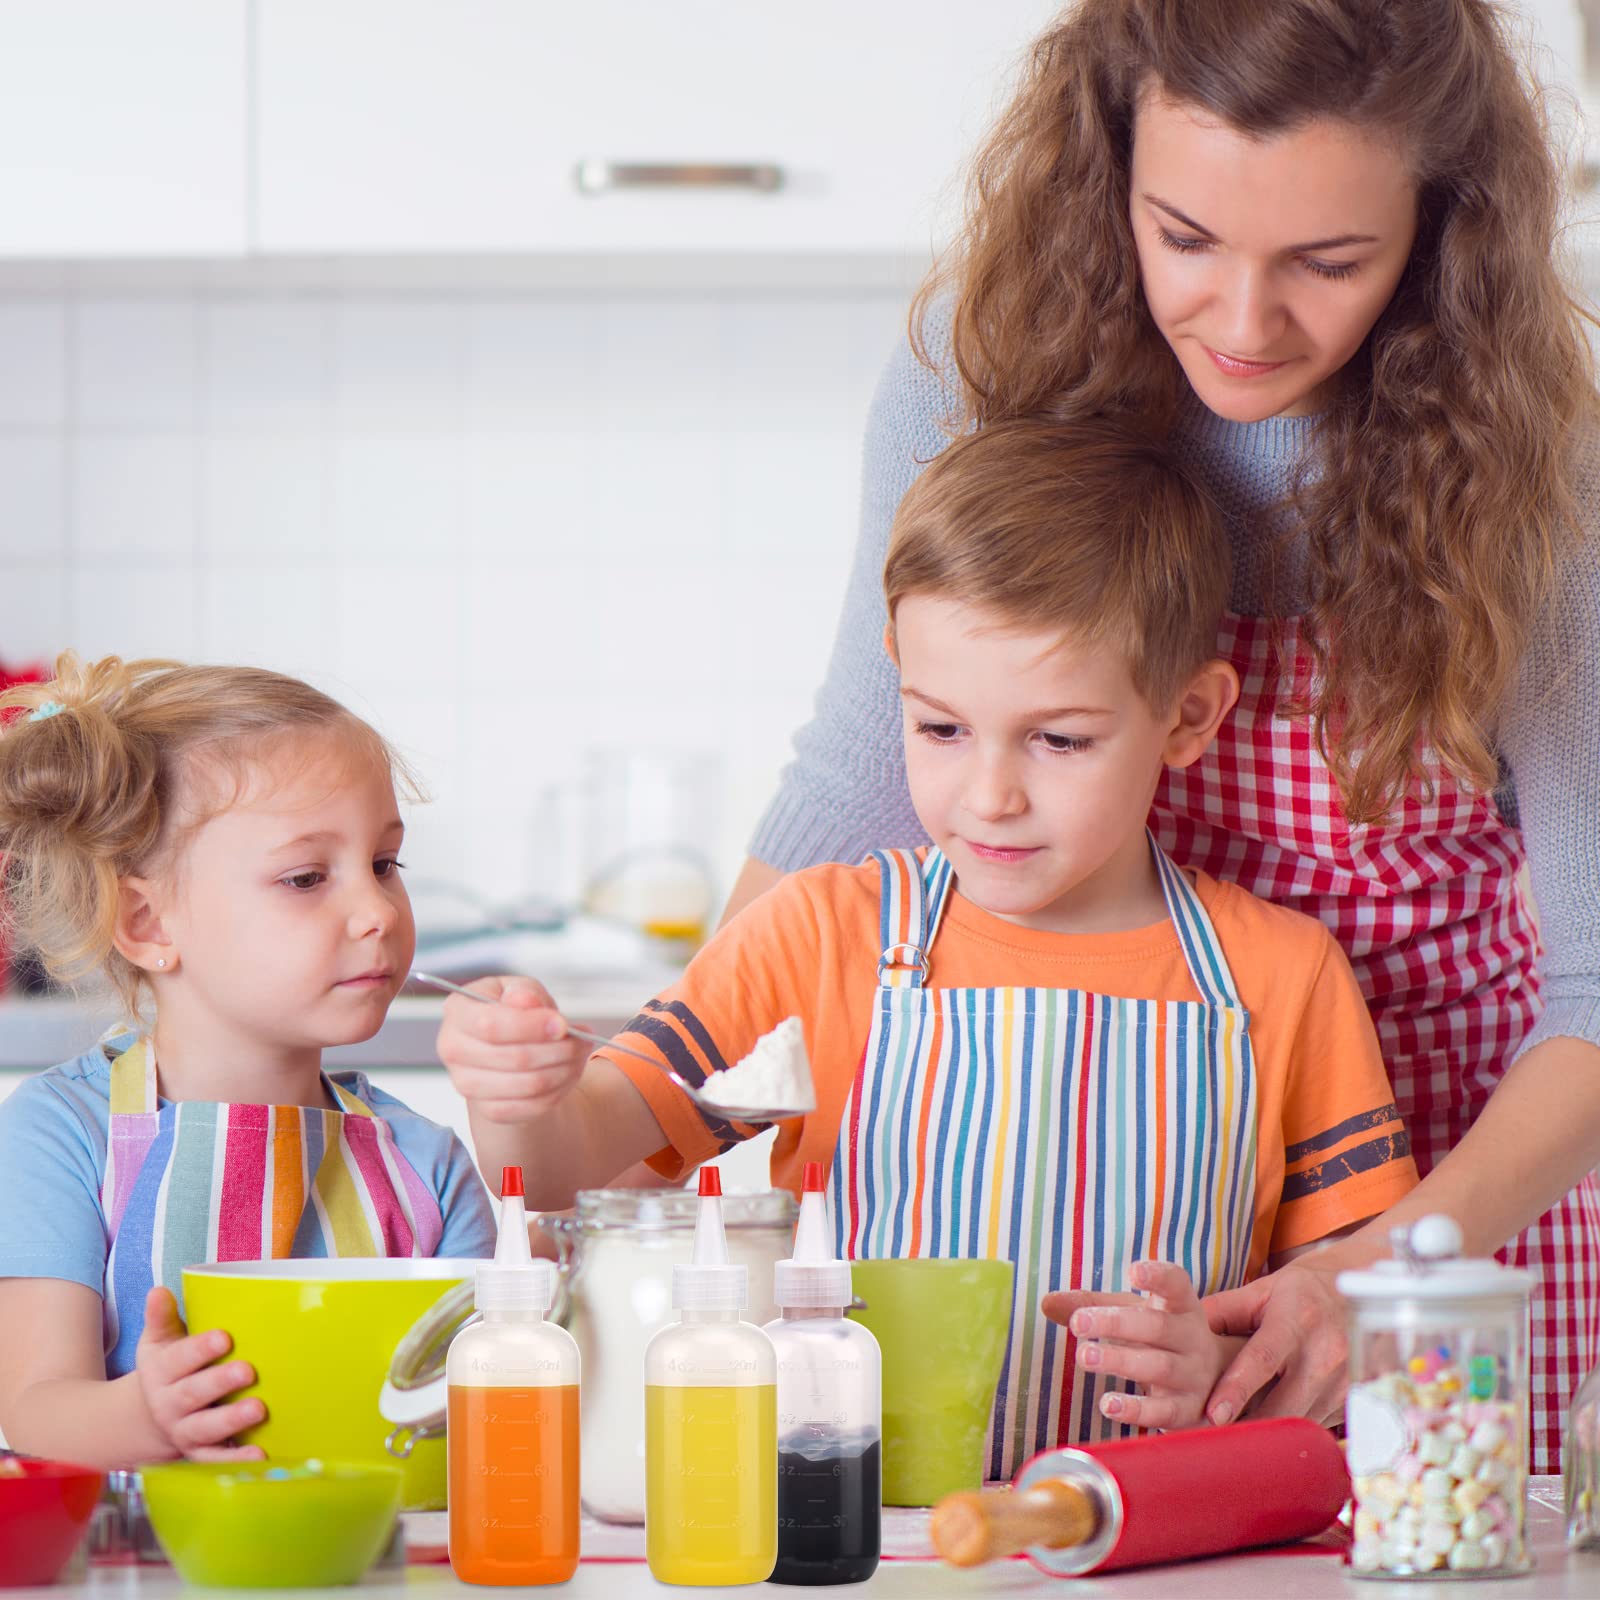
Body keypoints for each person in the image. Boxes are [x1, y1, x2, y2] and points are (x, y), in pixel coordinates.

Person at [717, 0, 1600, 1474]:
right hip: (1115, 1204)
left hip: (1447, 1198)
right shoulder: (974, 375)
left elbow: (1596, 979)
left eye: (1330, 262)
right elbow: (856, 784)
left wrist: (1372, 1272)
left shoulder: (1538, 468)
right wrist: (654, 1129)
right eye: (1184, 237)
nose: (1244, 325)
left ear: (1442, 232)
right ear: (1108, 160)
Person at [437, 418, 1418, 1475]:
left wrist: (1217, 1364)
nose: (989, 794)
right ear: (896, 680)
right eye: (940, 728)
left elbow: (1356, 1333)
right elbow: (557, 1169)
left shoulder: (1280, 976)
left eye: (1058, 739)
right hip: (855, 1545)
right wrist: (518, 1096)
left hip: (1151, 1548)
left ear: (1187, 716)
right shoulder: (818, 936)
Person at [0, 655, 496, 1469]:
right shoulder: (60, 1135)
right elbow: (37, 1409)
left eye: (384, 864)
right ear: (149, 923)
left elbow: (494, 1407)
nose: (377, 911)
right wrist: (146, 1418)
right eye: (307, 877)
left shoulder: (427, 1164)